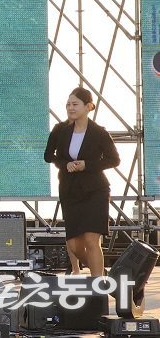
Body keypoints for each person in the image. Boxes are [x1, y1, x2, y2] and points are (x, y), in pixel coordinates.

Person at [44, 87, 120, 276]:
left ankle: (98, 286)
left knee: (91, 240)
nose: (70, 107)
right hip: (70, 191)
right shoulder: (60, 130)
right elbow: (48, 156)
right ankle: (103, 274)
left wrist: (87, 165)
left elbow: (114, 160)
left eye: (75, 104)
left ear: (88, 106)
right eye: (68, 104)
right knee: (74, 245)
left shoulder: (99, 132)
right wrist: (65, 164)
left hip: (95, 190)